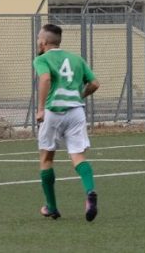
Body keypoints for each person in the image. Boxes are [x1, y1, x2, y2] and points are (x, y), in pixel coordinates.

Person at [33, 23, 100, 222]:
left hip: (54, 112)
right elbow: (95, 84)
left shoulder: (42, 59)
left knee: (46, 159)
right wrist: (80, 95)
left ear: (44, 42)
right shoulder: (76, 59)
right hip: (76, 112)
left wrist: (40, 109)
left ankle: (52, 207)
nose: (38, 41)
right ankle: (90, 192)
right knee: (78, 156)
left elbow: (44, 79)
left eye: (39, 38)